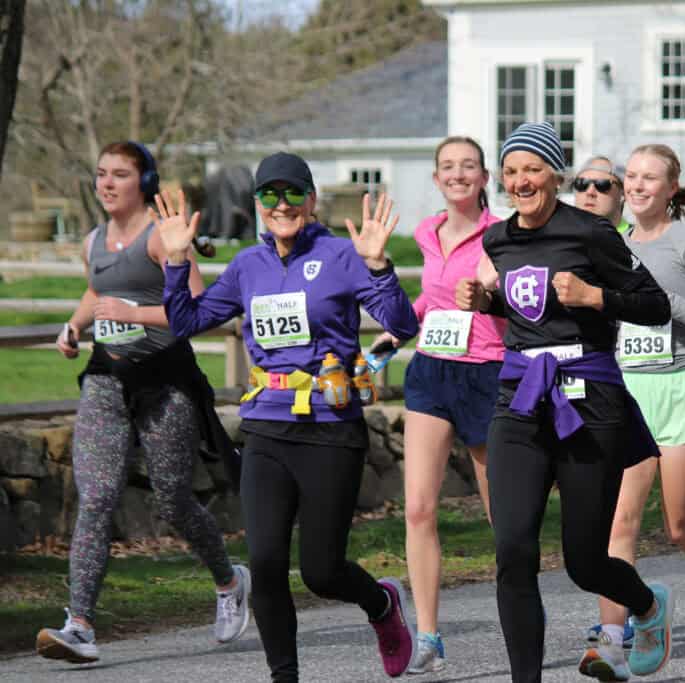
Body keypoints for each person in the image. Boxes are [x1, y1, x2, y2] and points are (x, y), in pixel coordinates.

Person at [156, 152, 420, 681]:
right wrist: (177, 262)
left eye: (293, 194)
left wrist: (379, 266)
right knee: (270, 563)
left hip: (330, 428)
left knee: (323, 570)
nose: (282, 205)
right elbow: (186, 321)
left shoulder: (342, 255)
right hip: (267, 429)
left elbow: (401, 322)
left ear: (311, 200)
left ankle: (381, 605)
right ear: (257, 204)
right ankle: (285, 676)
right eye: (270, 196)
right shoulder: (247, 266)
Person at [455, 121, 674, 683]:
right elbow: (527, 312)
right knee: (513, 550)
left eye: (532, 169)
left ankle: (647, 607)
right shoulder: (498, 239)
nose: (521, 181)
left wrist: (596, 295)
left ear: (554, 173)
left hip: (588, 400)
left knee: (583, 561)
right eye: (510, 171)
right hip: (520, 398)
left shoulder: (592, 233)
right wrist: (485, 303)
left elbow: (654, 305)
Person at [35, 141, 249, 665]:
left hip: (166, 381)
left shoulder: (160, 237)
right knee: (98, 496)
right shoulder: (94, 240)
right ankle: (79, 624)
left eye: (120, 175)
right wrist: (74, 325)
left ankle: (228, 580)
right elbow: (96, 290)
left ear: (144, 182)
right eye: (102, 174)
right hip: (107, 380)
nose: (107, 183)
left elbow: (199, 311)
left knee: (173, 499)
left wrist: (133, 313)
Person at [578, 146, 685, 680]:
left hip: (680, 386)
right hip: (627, 391)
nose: (639, 185)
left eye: (651, 178)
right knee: (619, 520)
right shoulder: (611, 244)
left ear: (671, 188)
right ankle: (612, 639)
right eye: (633, 177)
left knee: (677, 524)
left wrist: (665, 304)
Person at [374, 136, 505, 674]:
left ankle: (521, 610)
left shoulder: (501, 235)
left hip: (486, 372)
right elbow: (435, 297)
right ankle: (428, 634)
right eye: (448, 167)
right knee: (420, 508)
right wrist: (393, 336)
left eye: (468, 166)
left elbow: (494, 297)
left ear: (484, 178)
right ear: (436, 179)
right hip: (431, 370)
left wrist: (487, 295)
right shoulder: (426, 233)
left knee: (504, 517)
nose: (457, 174)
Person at [573, 156, 629, 233]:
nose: (590, 192)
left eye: (602, 184)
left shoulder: (637, 241)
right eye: (581, 183)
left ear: (623, 194)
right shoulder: (558, 237)